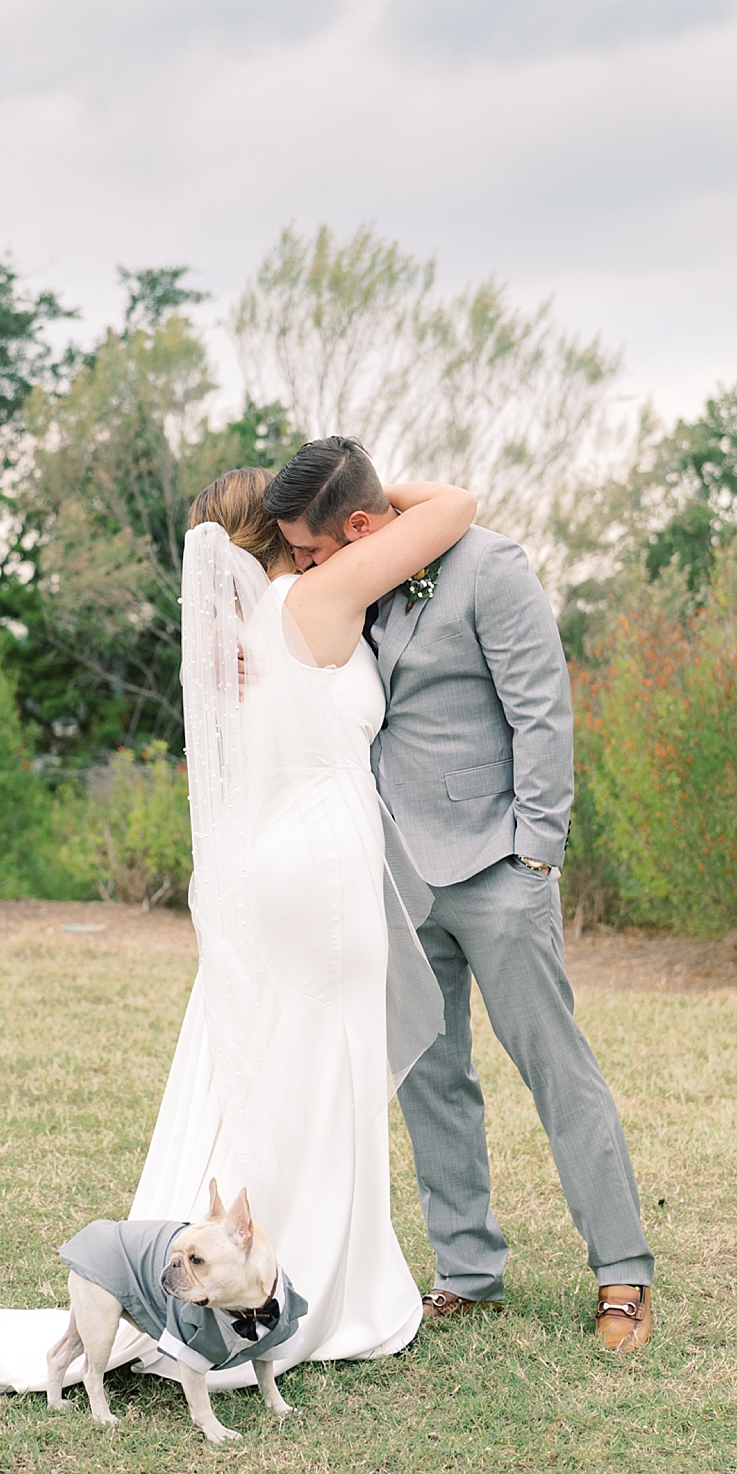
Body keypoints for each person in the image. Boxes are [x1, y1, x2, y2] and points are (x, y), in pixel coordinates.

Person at [0, 461, 477, 1407]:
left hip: (270, 864)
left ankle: (229, 1269)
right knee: (324, 1067)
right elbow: (457, 505)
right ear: (287, 529)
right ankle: (318, 1292)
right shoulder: (318, 593)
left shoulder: (229, 633)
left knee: (266, 1061)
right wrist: (359, 488)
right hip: (323, 868)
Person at [262, 437, 654, 1354]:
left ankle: (622, 1273)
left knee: (555, 1069)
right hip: (393, 881)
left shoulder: (490, 566)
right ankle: (468, 1274)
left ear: (359, 526)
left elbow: (539, 711)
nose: (304, 566)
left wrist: (535, 855)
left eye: (311, 548)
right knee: (431, 1082)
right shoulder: (353, 583)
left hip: (496, 869)